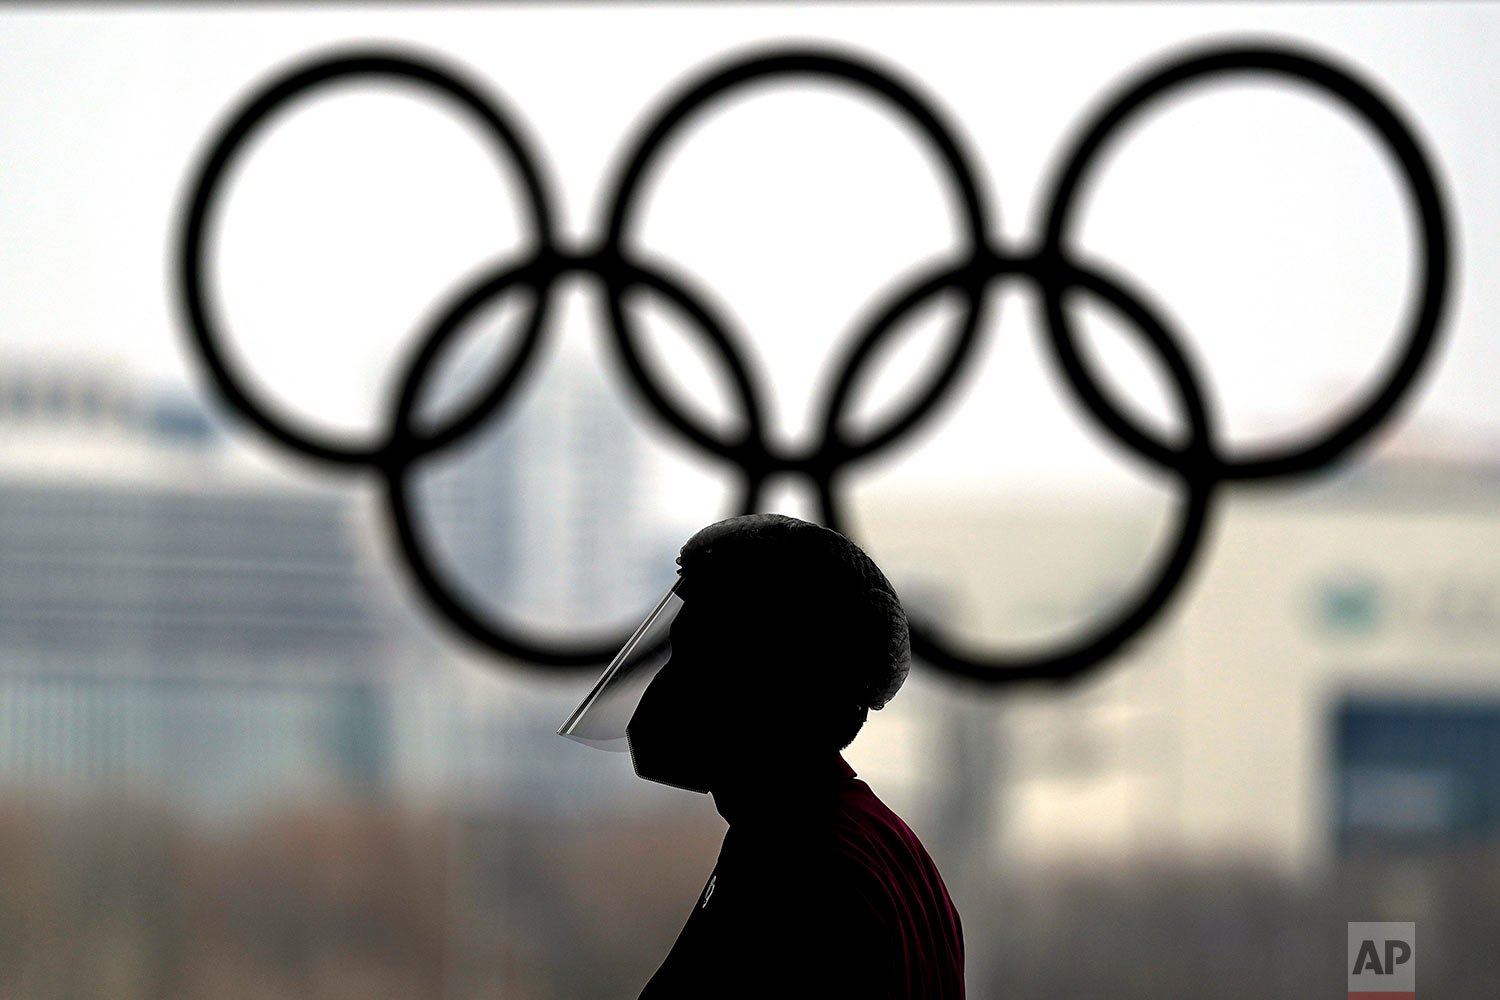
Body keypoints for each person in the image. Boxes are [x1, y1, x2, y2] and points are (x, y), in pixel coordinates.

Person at [558, 514, 965, 999]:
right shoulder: (871, 839)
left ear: (764, 682)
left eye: (693, 660)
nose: (663, 688)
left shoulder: (798, 868)